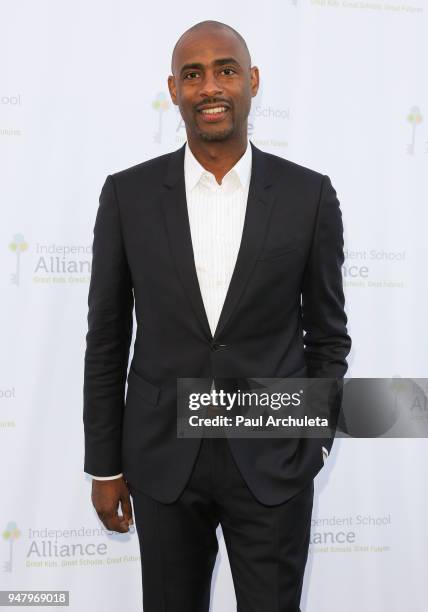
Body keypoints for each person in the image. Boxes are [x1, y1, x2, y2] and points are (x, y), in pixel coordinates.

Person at [83, 19, 352, 612]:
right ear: (173, 89)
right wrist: (104, 467)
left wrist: (314, 440)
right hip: (161, 462)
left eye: (225, 69)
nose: (210, 86)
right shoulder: (127, 196)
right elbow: (106, 338)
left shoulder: (309, 196)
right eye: (193, 74)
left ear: (251, 80)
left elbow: (328, 337)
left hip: (272, 460)